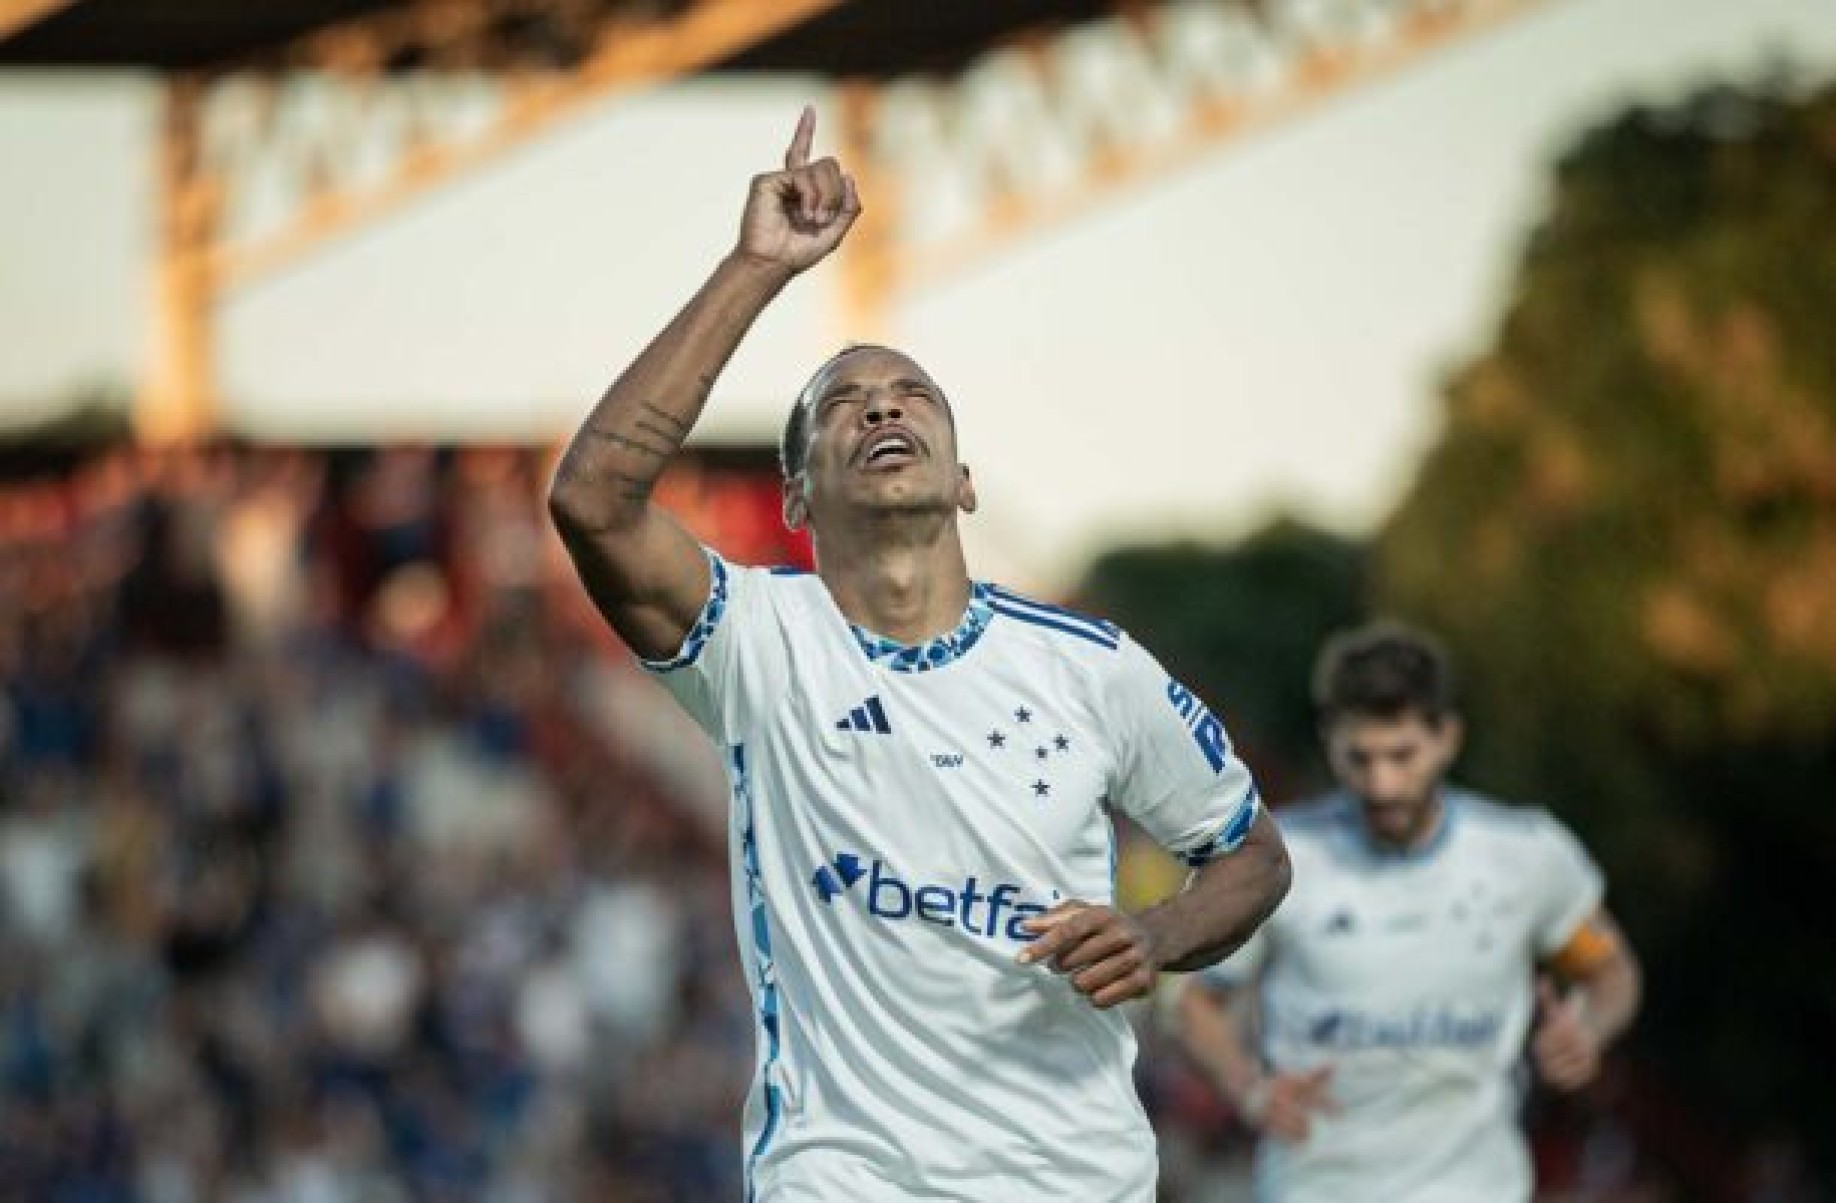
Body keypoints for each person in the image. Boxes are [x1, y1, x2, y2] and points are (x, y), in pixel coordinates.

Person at [546, 106, 1292, 1201]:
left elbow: (1254, 855)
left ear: (964, 480)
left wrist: (1157, 933)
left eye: (911, 398)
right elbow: (593, 500)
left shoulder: (1092, 667)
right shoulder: (761, 643)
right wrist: (755, 269)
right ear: (795, 497)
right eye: (842, 405)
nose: (881, 407)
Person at [1172, 621, 1642, 1202]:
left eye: (1402, 755)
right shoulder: (1279, 861)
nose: (1382, 783)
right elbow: (1195, 1003)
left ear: (1448, 737)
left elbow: (1610, 972)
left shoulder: (1525, 856)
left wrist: (1588, 1029)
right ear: (1329, 740)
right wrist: (1249, 1088)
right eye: (1360, 758)